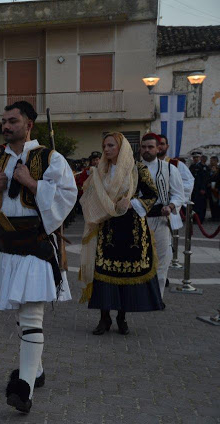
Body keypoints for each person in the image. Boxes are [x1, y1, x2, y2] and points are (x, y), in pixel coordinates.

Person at [0, 101, 76, 413]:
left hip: (35, 246)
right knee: (20, 316)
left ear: (29, 123)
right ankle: (37, 370)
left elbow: (68, 197)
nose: (6, 126)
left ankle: (24, 388)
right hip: (4, 246)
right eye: (3, 121)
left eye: (12, 120)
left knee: (31, 317)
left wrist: (31, 182)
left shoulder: (50, 158)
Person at [79, 132, 163, 338]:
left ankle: (121, 317)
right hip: (106, 227)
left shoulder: (137, 169)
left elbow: (153, 194)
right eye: (104, 145)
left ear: (121, 147)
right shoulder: (101, 171)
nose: (106, 149)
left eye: (111, 145)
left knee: (126, 273)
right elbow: (89, 195)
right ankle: (104, 317)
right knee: (103, 271)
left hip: (131, 229)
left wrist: (132, 203)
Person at [140, 133, 185, 301]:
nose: (147, 150)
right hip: (139, 219)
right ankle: (139, 296)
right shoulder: (133, 168)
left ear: (158, 148)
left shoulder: (169, 169)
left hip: (160, 219)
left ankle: (156, 298)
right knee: (139, 259)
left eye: (150, 147)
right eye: (144, 147)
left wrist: (171, 206)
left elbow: (179, 195)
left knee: (161, 260)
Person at [157, 134, 194, 200]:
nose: (159, 146)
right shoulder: (146, 165)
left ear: (167, 146)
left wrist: (170, 190)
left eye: (162, 144)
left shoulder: (177, 164)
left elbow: (188, 184)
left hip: (171, 205)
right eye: (157, 144)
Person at [190, 151, 209, 222]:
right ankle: (195, 218)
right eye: (194, 157)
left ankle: (200, 219)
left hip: (200, 189)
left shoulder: (203, 167)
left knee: (201, 204)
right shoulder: (192, 166)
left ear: (200, 158)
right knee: (194, 204)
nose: (195, 159)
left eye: (197, 157)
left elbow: (205, 179)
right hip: (193, 189)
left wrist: (203, 188)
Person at [207, 156, 220, 221]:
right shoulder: (208, 168)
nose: (211, 162)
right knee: (211, 202)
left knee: (217, 202)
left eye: (213, 161)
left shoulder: (219, 169)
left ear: (216, 161)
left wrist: (217, 187)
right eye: (211, 160)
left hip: (217, 188)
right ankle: (213, 216)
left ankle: (217, 216)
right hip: (210, 188)